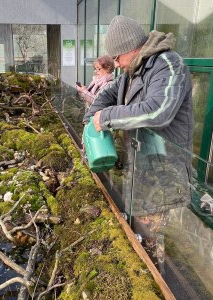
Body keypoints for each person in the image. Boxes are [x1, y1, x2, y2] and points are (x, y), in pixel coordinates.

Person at [83, 15, 193, 273]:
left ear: (131, 49)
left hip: (164, 171)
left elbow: (158, 111)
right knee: (138, 230)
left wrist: (107, 118)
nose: (116, 65)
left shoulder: (168, 64)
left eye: (117, 58)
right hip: (141, 165)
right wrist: (90, 120)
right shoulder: (131, 71)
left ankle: (154, 281)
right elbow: (106, 95)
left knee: (150, 238)